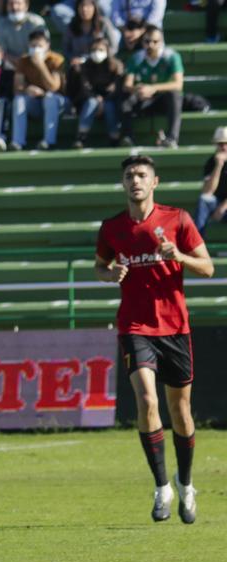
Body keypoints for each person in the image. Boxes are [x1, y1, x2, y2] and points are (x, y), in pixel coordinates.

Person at [93, 154, 213, 523]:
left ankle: (186, 484)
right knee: (147, 400)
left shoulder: (176, 220)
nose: (135, 180)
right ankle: (161, 485)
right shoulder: (113, 227)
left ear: (154, 182)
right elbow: (100, 265)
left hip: (175, 328)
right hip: (135, 326)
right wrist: (109, 274)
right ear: (123, 183)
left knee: (180, 412)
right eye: (129, 175)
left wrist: (177, 255)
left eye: (142, 174)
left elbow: (208, 267)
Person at [119, 26, 182, 148]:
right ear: (142, 42)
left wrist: (153, 88)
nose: (151, 45)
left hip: (163, 99)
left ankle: (172, 138)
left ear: (162, 41)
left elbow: (178, 84)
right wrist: (138, 89)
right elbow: (127, 84)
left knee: (174, 95)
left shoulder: (171, 56)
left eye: (155, 41)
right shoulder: (136, 58)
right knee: (125, 99)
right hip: (144, 98)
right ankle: (127, 137)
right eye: (147, 41)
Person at [10, 30, 66, 151]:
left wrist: (41, 65)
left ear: (47, 46)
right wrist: (27, 89)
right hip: (35, 102)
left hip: (57, 102)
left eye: (40, 46)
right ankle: (18, 142)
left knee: (50, 97)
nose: (36, 49)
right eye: (33, 46)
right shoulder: (23, 60)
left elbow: (54, 87)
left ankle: (48, 141)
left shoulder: (57, 59)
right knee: (19, 100)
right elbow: (17, 87)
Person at [68, 35, 123, 148]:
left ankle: (114, 137)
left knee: (109, 106)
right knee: (91, 102)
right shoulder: (85, 67)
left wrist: (104, 100)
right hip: (89, 101)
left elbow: (115, 89)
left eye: (101, 50)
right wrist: (97, 99)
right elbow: (85, 88)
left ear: (107, 51)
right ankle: (81, 137)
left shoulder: (116, 66)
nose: (97, 52)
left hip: (110, 101)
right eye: (94, 50)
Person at [0, 0, 48, 66]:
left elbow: (43, 47)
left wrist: (26, 62)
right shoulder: (1, 25)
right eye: (10, 4)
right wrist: (19, 64)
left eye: (18, 3)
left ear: (26, 6)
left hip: (35, 63)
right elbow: (1, 51)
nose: (14, 7)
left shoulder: (36, 22)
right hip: (11, 65)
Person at [194, 126, 227, 231]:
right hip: (216, 203)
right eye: (221, 143)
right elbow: (207, 192)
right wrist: (218, 166)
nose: (224, 147)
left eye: (226, 143)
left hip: (224, 207)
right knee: (203, 200)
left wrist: (223, 207)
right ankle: (197, 243)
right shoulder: (211, 163)